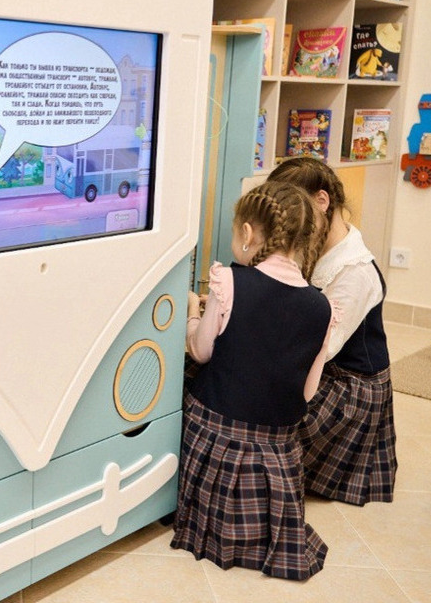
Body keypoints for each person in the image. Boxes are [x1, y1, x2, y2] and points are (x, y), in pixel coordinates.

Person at [171, 181, 335, 581]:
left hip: (217, 431)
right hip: (278, 446)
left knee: (189, 374)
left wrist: (193, 313)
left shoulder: (228, 281)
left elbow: (201, 351)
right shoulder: (322, 306)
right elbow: (308, 391)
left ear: (247, 232)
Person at [267, 156, 397, 506]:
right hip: (317, 363)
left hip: (348, 385)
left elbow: (319, 349)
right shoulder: (314, 245)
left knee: (260, 416)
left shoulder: (355, 272)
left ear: (322, 201)